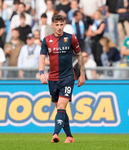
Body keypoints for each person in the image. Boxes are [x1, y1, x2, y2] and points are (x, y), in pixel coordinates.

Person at [39, 15, 85, 143]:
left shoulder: (71, 38)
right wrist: (41, 73)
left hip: (68, 78)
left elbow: (79, 55)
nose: (59, 27)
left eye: (61, 24)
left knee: (61, 105)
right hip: (52, 79)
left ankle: (55, 134)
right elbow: (42, 58)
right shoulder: (46, 40)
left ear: (64, 25)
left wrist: (82, 74)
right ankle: (69, 137)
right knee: (60, 109)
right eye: (57, 24)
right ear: (52, 25)